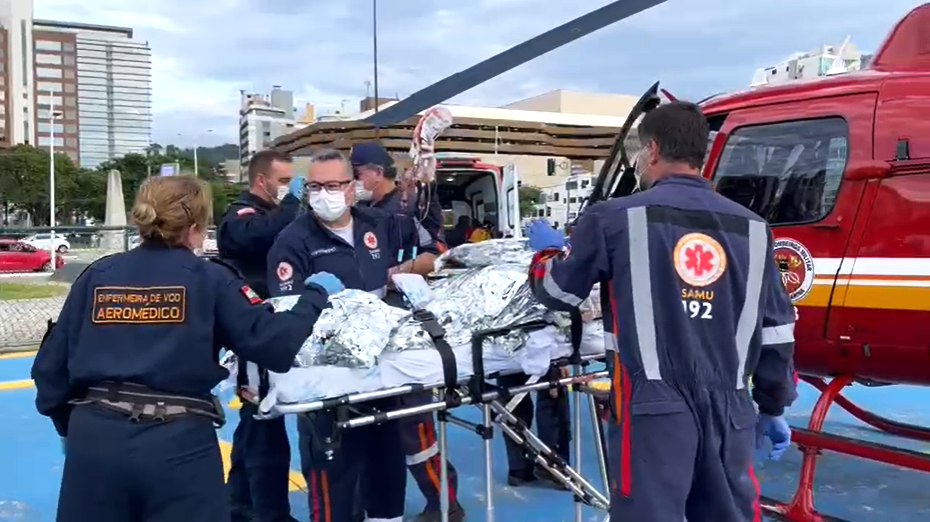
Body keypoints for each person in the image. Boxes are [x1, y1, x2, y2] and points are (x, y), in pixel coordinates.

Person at [524, 102, 797, 521]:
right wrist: (773, 406)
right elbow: (778, 331)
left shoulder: (614, 218)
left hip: (652, 407)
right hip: (732, 409)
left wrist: (545, 252)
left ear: (651, 150)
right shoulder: (754, 229)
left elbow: (558, 292)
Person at [30, 175, 343, 522]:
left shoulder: (98, 275)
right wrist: (314, 297)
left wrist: (68, 427)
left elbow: (50, 368)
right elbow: (273, 343)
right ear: (195, 227)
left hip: (95, 438)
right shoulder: (209, 278)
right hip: (177, 444)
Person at [268, 148, 437, 522]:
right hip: (328, 375)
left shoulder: (378, 223)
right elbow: (286, 313)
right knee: (334, 475)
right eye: (315, 186)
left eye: (332, 185)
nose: (323, 194)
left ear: (352, 187)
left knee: (386, 464)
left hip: (383, 369)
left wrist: (424, 186)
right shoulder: (293, 240)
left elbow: (430, 238)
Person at [351, 142, 466, 522]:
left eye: (355, 175)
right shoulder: (360, 214)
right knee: (367, 424)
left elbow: (436, 256)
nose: (351, 184)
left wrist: (393, 275)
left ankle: (445, 502)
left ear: (373, 172)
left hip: (402, 327)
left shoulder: (407, 208)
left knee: (412, 423)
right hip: (366, 330)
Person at [218, 150, 304, 522]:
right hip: (253, 331)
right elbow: (255, 237)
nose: (287, 189)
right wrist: (295, 202)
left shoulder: (273, 215)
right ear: (261, 181)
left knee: (256, 425)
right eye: (283, 181)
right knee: (264, 423)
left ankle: (240, 503)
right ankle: (268, 512)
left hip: (268, 329)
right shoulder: (242, 214)